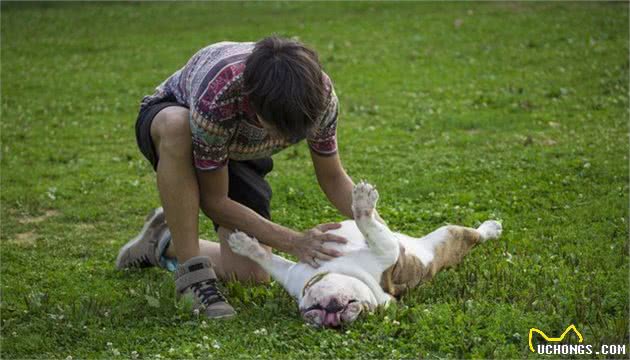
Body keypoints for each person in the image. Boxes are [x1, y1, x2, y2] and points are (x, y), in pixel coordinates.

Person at [116, 36, 371, 319]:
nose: (285, 140)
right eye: (277, 130)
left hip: (238, 149)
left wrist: (384, 233)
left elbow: (333, 178)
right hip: (179, 123)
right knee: (177, 127)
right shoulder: (220, 91)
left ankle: (160, 241)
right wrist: (292, 240)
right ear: (254, 106)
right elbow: (215, 200)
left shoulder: (320, 97)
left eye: (296, 134)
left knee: (250, 274)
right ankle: (193, 277)